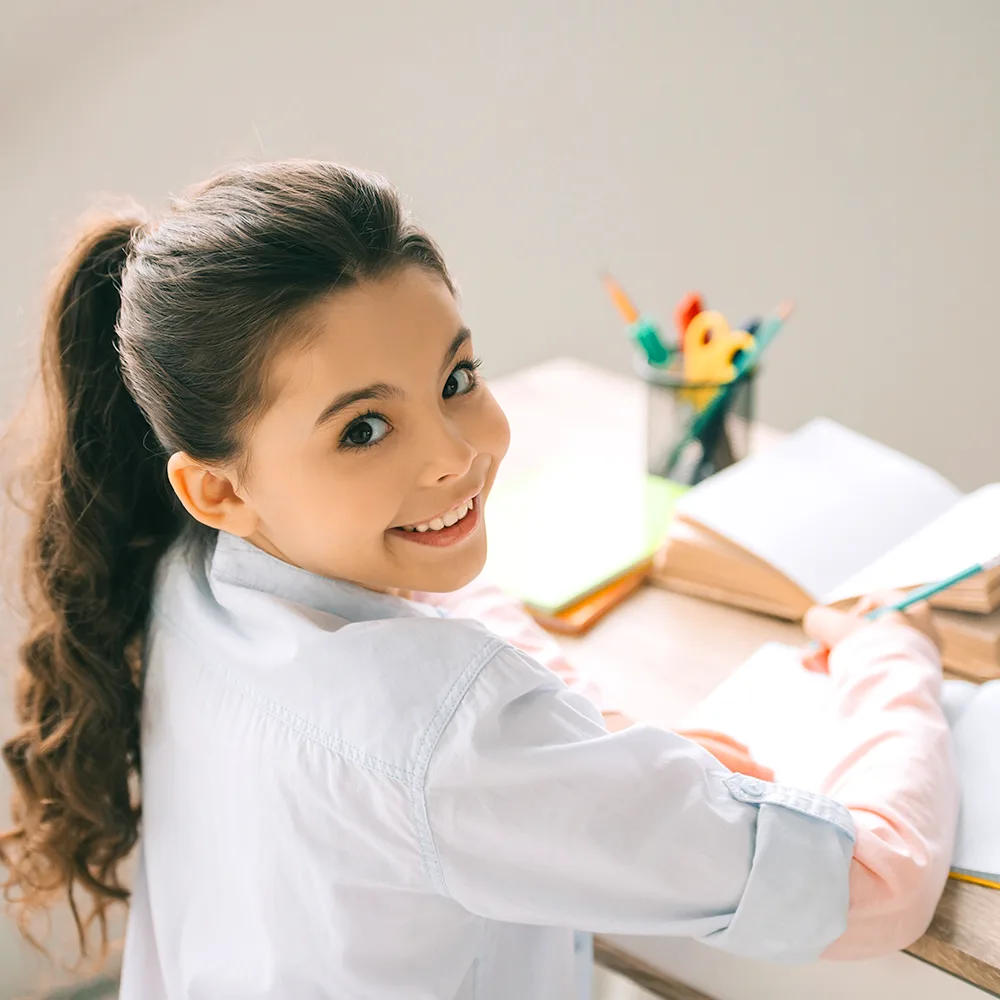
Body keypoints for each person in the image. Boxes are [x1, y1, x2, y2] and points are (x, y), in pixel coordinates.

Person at [1, 162, 956, 999]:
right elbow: (872, 883)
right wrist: (891, 657)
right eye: (363, 430)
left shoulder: (191, 575)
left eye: (457, 377)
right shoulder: (451, 745)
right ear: (217, 488)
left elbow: (444, 633)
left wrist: (609, 738)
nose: (455, 456)